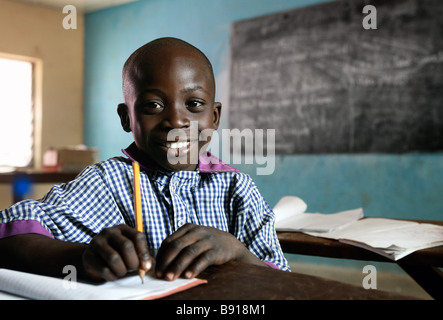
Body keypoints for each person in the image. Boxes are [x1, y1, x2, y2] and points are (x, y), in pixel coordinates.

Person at [0, 37, 290, 282]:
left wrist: (238, 252)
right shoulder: (107, 182)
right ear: (127, 118)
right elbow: (10, 234)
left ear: (213, 117)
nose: (176, 120)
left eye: (194, 104)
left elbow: (282, 280)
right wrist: (82, 256)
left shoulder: (237, 189)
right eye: (153, 105)